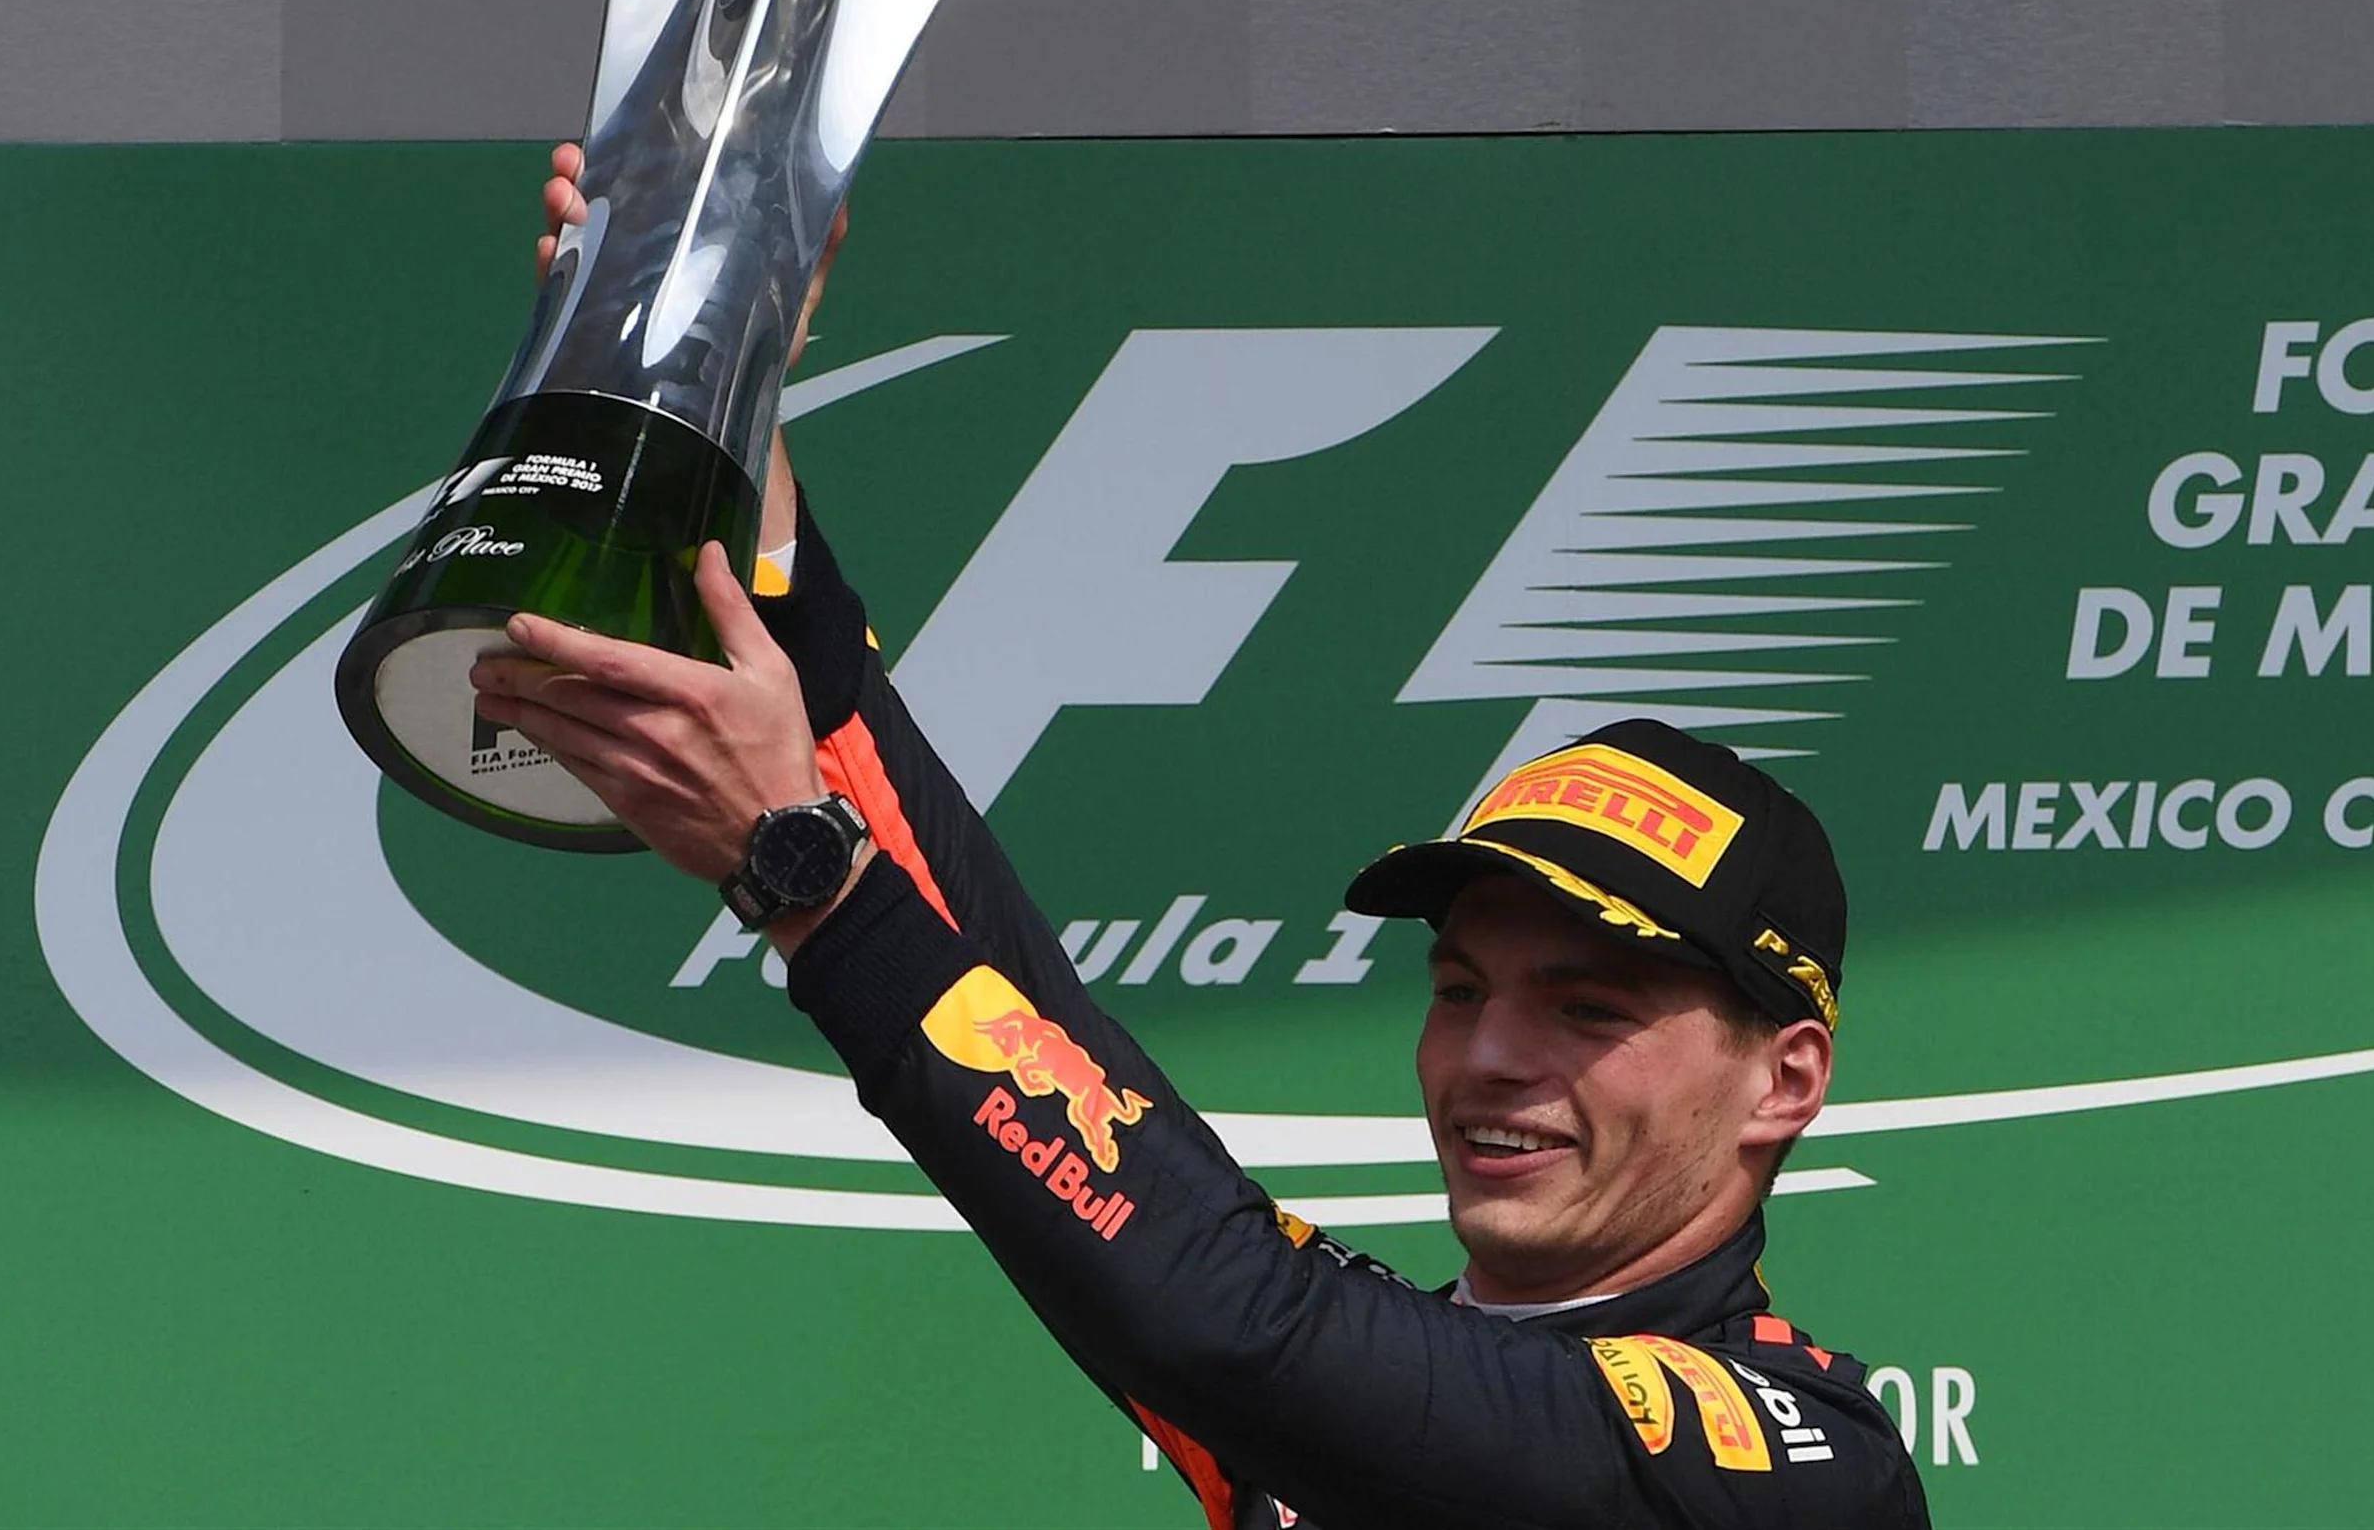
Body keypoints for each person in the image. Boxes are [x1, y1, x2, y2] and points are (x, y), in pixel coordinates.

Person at [471, 148, 1929, 1529]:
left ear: (1781, 1080)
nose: (1491, 1057)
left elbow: (1226, 1320)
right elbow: (1035, 1048)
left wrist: (804, 869)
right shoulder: (1335, 1392)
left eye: (1590, 1007)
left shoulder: (1791, 1463)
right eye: (1461, 988)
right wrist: (724, 410)